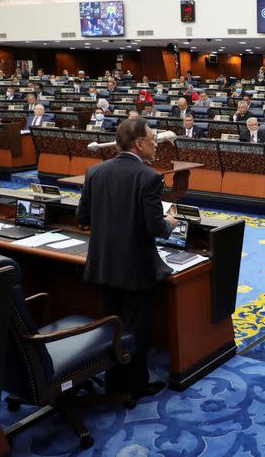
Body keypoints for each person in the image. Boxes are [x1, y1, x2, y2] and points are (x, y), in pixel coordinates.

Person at [77, 118, 178, 399]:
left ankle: (113, 381)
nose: (156, 143)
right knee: (136, 330)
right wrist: (170, 221)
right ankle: (135, 386)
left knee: (113, 325)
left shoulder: (94, 172)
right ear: (139, 143)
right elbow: (155, 228)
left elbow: (82, 218)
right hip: (136, 270)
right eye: (153, 139)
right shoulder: (149, 177)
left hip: (103, 265)